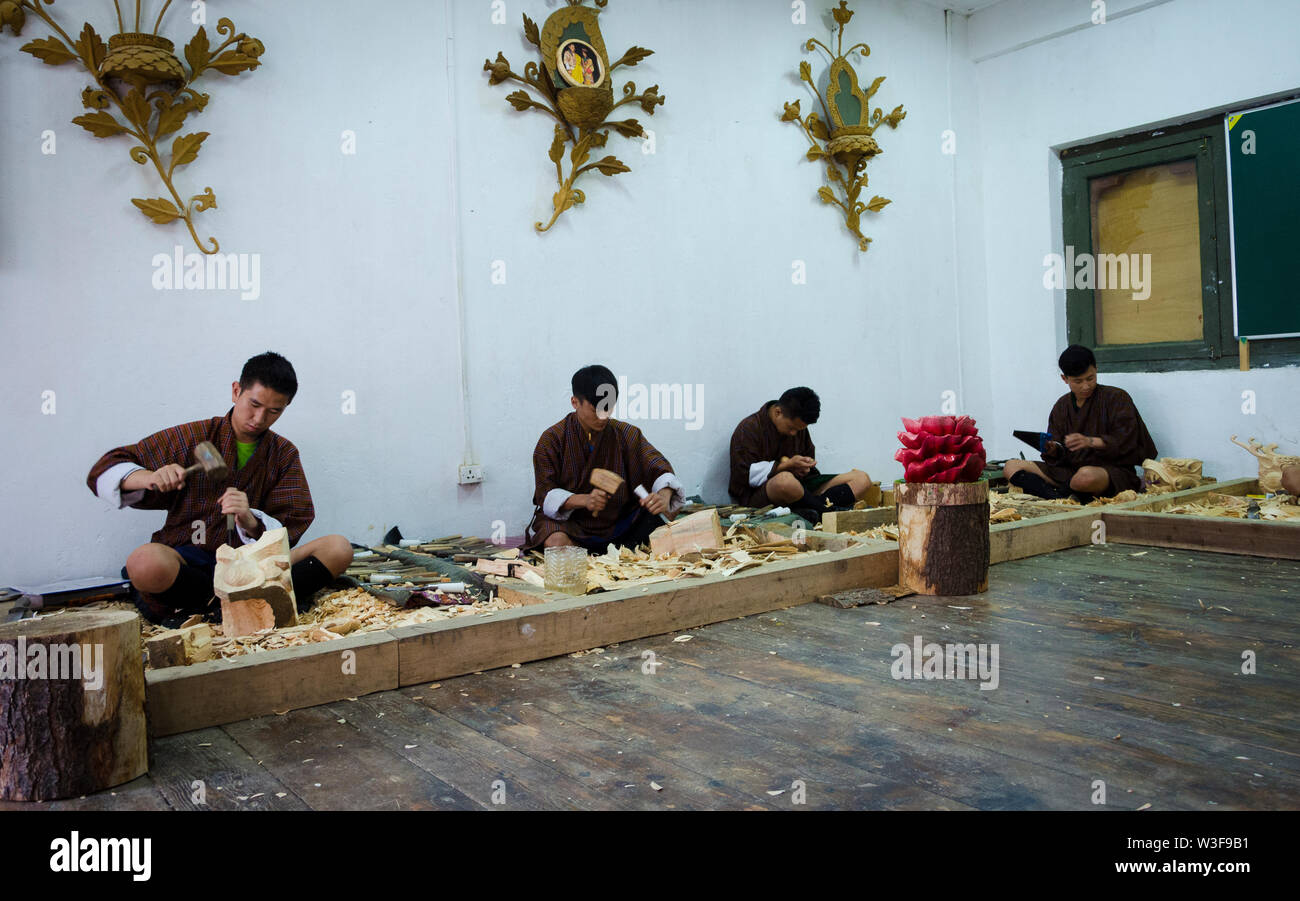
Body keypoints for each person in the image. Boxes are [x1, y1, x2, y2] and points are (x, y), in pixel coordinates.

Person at [87, 352, 353, 626]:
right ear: (237, 390)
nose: (260, 418)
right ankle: (226, 604)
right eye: (254, 404)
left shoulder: (283, 454)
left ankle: (238, 601)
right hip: (192, 563)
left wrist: (250, 520)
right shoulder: (194, 436)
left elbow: (291, 526)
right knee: (144, 562)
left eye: (274, 411)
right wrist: (149, 477)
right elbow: (104, 470)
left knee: (338, 548)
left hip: (254, 565)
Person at [526, 364, 685, 551]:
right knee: (555, 542)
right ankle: (602, 553)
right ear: (575, 402)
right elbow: (545, 495)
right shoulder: (552, 439)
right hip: (574, 524)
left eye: (608, 409)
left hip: (620, 521)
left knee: (666, 520)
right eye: (596, 410)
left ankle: (617, 553)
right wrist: (583, 500)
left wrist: (663, 496)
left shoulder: (626, 434)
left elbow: (657, 466)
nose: (603, 417)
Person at [1003, 344, 1157, 500]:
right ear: (1065, 378)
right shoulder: (1062, 406)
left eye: (1090, 378)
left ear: (1096, 369)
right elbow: (1058, 450)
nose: (1086, 386)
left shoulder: (1116, 398)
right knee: (1011, 466)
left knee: (1085, 477)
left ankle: (1059, 493)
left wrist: (1090, 441)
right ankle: (1055, 496)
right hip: (1068, 472)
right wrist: (1053, 449)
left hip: (1108, 473)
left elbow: (1128, 442)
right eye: (1078, 381)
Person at [728, 387, 872, 522]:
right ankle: (826, 511)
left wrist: (805, 467)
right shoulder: (748, 429)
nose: (794, 433)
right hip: (762, 496)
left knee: (861, 479)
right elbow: (744, 475)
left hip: (801, 490)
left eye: (799, 429)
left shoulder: (798, 427)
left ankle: (814, 510)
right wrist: (785, 466)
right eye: (791, 428)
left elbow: (809, 467)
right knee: (785, 481)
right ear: (778, 412)